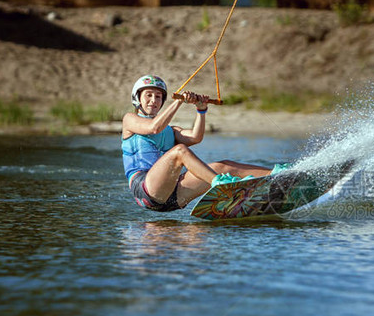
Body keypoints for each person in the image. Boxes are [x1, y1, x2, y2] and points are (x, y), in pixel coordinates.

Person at [121, 74, 285, 212]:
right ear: (138, 99)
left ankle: (277, 175)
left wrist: (201, 110)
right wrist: (178, 101)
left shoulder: (170, 130)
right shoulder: (130, 119)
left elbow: (195, 137)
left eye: (158, 97)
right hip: (146, 188)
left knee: (223, 166)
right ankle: (223, 188)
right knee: (179, 151)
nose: (153, 100)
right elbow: (154, 127)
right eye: (148, 95)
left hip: (173, 194)